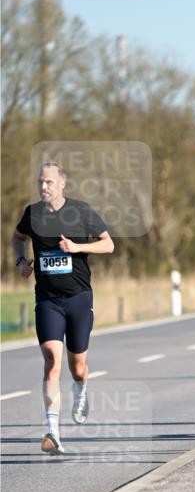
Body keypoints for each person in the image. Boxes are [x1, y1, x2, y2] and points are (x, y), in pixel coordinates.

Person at [12, 161, 114, 455]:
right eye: (40, 182)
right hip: (48, 300)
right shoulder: (32, 214)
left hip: (79, 298)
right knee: (51, 361)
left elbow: (108, 245)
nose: (43, 187)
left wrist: (78, 248)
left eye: (49, 182)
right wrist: (21, 261)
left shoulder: (80, 211)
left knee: (78, 366)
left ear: (62, 184)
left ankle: (80, 391)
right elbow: (18, 237)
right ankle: (52, 431)